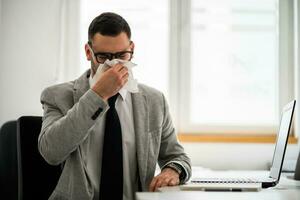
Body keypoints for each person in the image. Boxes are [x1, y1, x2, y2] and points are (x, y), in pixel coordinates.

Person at [38, 12, 191, 200]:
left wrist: (173, 170)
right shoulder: (57, 96)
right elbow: (51, 152)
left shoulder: (154, 101)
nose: (113, 63)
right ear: (88, 52)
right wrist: (97, 95)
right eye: (103, 56)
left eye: (121, 55)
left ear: (132, 49)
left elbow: (178, 158)